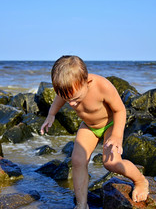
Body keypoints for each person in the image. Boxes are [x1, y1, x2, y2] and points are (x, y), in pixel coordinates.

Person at [41, 55, 149, 209]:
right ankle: (82, 204)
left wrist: (117, 136)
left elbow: (120, 110)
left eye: (76, 99)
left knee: (111, 163)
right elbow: (59, 98)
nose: (71, 103)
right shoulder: (70, 88)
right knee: (78, 161)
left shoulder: (102, 86)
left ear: (87, 82)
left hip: (110, 124)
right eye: (68, 99)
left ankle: (140, 180)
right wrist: (51, 114)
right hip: (89, 126)